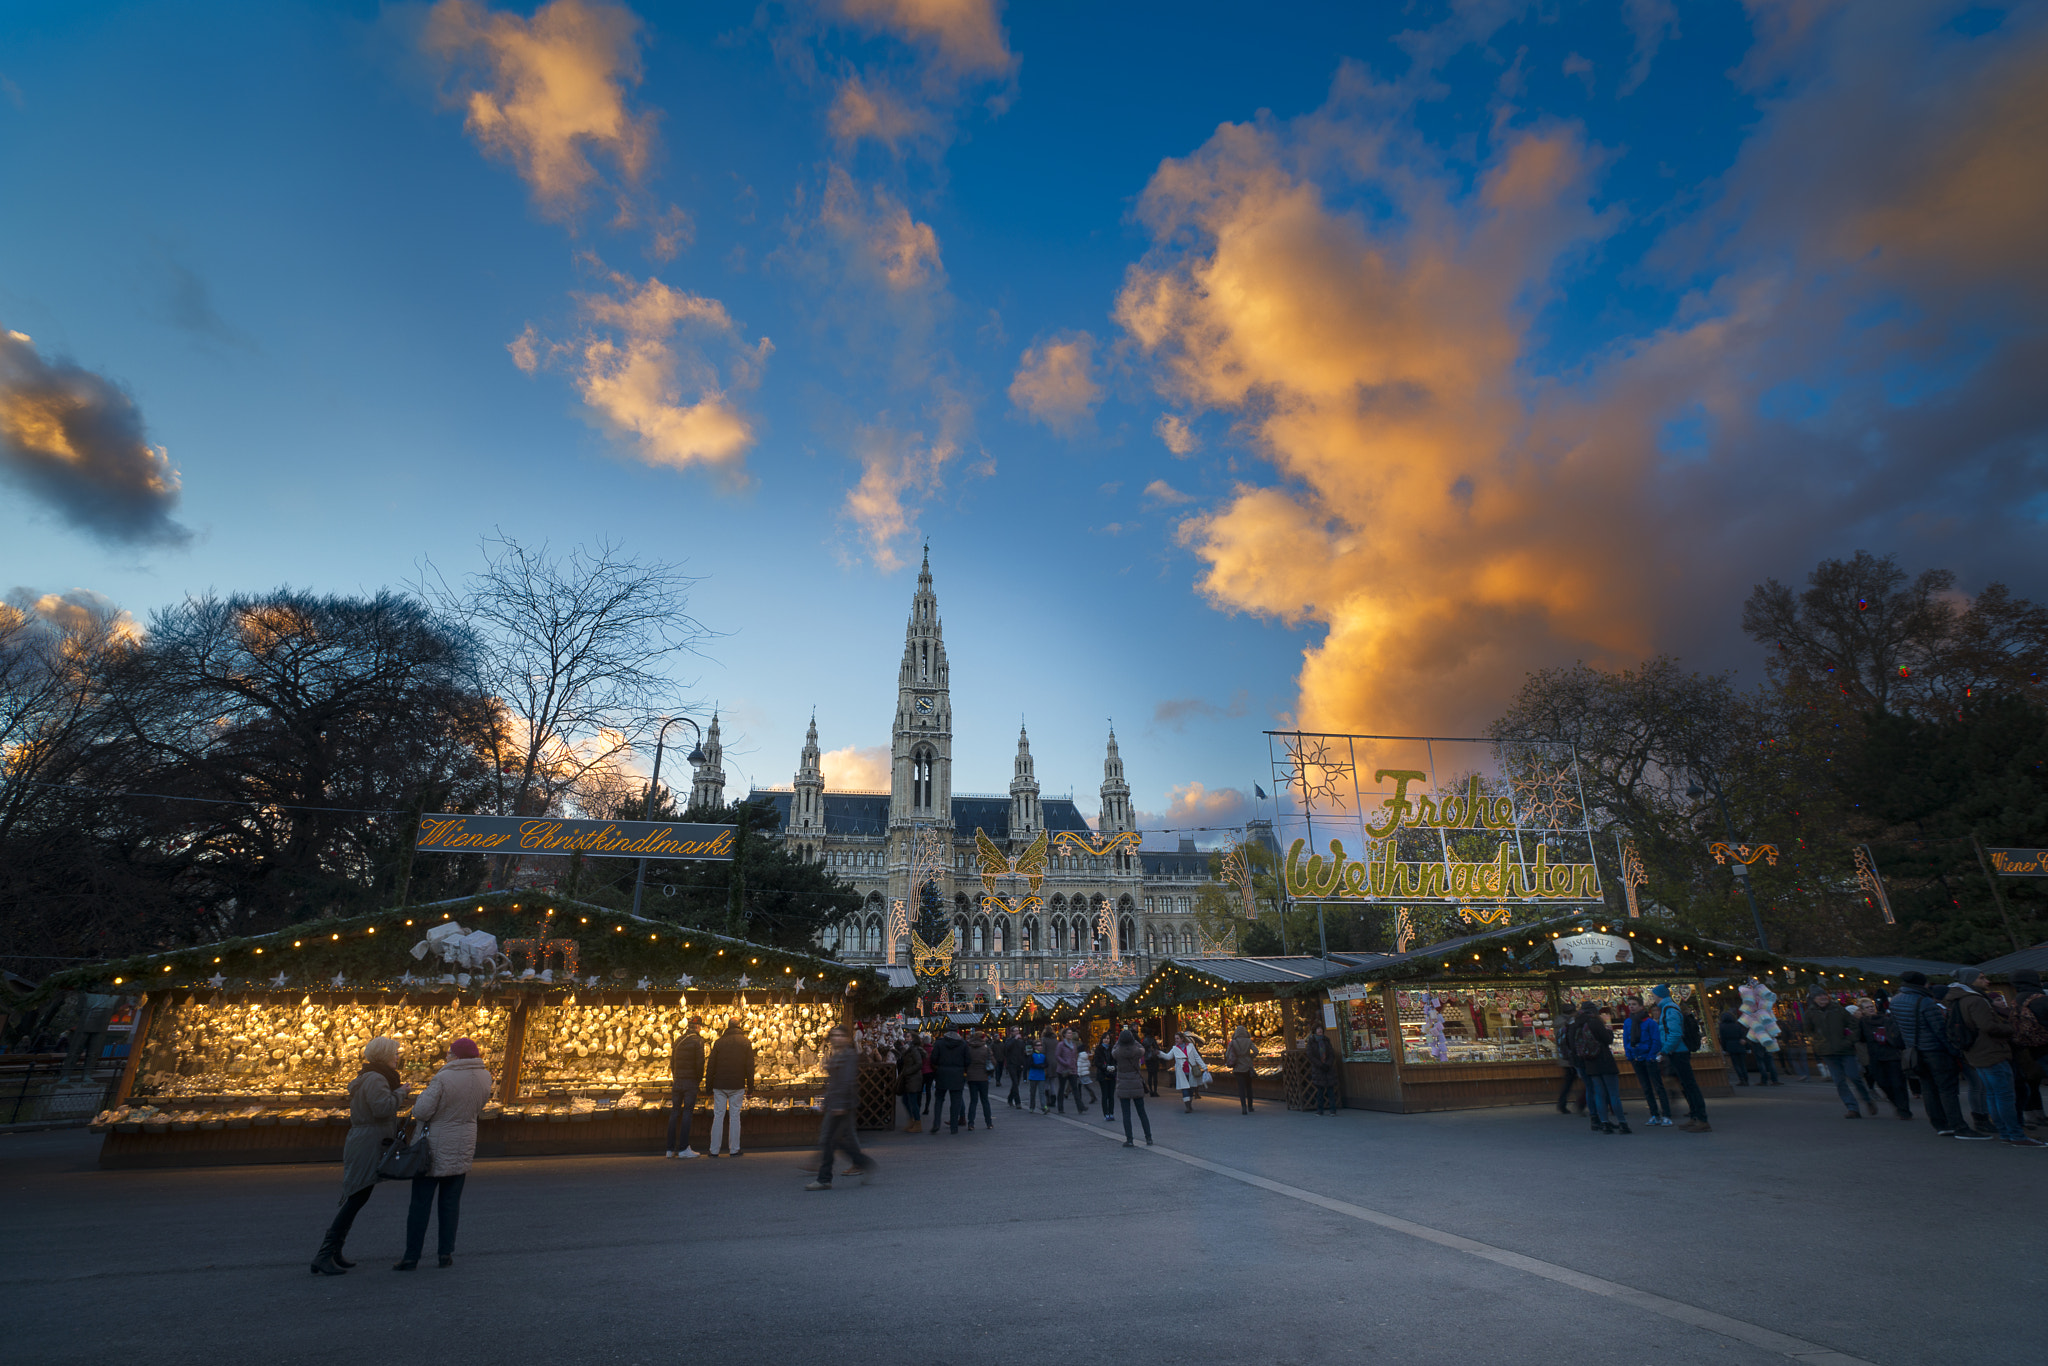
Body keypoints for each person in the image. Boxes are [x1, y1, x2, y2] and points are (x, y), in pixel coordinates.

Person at [394, 1037, 493, 1271]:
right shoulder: (485, 1077)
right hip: (463, 1143)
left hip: (432, 1147)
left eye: (449, 1053)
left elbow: (422, 1111)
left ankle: (411, 1256)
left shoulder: (443, 1077)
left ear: (456, 1056)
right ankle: (445, 1253)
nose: (447, 1057)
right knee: (450, 1203)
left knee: (420, 1204)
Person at [311, 1036, 406, 1275]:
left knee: (359, 1196)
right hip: (368, 1142)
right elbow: (382, 1108)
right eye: (394, 1053)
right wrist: (402, 1093)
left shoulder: (373, 1076)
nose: (398, 1056)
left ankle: (334, 1251)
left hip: (368, 1140)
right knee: (356, 1197)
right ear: (384, 1055)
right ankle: (324, 1254)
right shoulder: (376, 1078)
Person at [1946, 970, 2043, 1147]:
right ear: (1970, 981)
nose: (1987, 981)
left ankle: (2006, 1131)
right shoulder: (1976, 1000)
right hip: (1991, 1051)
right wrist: (2011, 1029)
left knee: (1993, 1094)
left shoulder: (1959, 1000)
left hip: (1977, 1052)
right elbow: (1987, 1026)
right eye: (1981, 977)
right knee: (2004, 1095)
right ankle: (2015, 1134)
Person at [1893, 971, 1977, 1138]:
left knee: (1928, 1089)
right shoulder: (1924, 1002)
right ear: (1922, 984)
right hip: (1935, 1051)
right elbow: (1940, 1030)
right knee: (1947, 1090)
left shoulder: (1896, 1001)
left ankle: (1940, 1124)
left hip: (1915, 1051)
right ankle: (1958, 1125)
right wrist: (1954, 1051)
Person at [806, 1027, 876, 1191]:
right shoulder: (837, 1055)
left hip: (842, 1105)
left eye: (840, 1035)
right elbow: (834, 1082)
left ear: (846, 1038)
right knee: (834, 1140)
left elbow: (846, 1081)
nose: (836, 1038)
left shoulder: (848, 1056)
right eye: (834, 1036)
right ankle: (862, 1162)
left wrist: (839, 1104)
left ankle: (824, 1178)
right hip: (835, 1103)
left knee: (828, 1140)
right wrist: (827, 1101)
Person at [1807, 989, 1876, 1119]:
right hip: (1828, 1052)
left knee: (1854, 1076)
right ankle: (1852, 1108)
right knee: (1839, 1081)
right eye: (1819, 996)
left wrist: (1849, 1040)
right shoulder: (1811, 1013)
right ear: (1814, 999)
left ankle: (1867, 1100)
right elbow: (1809, 1030)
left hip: (1845, 1050)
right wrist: (1817, 1043)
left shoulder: (1838, 1010)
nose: (1822, 998)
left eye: (1824, 995)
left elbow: (1854, 1024)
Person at [1652, 985, 1710, 1132]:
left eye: (1653, 995)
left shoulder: (1669, 1009)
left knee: (1690, 1085)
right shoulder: (1668, 1008)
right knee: (1685, 1085)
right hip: (1675, 1052)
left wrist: (1664, 1050)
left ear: (1659, 995)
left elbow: (1675, 1033)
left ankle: (1702, 1119)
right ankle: (1695, 1116)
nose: (1652, 997)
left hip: (1679, 1052)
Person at [1569, 1001, 1629, 1134]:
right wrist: (1609, 1032)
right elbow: (1607, 1040)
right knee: (1613, 1094)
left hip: (1588, 1063)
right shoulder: (1595, 1022)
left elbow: (1572, 1045)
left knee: (1598, 1093)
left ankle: (1602, 1122)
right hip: (1604, 1060)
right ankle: (1622, 1123)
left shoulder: (1574, 1025)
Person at [1857, 994, 1911, 1119]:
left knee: (1898, 1084)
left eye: (1872, 1006)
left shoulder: (1886, 1019)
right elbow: (1860, 1038)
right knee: (1883, 1083)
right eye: (1867, 1008)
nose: (1871, 1009)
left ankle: (1904, 1110)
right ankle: (1898, 1105)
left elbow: (1895, 1034)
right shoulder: (1862, 1023)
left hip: (1891, 1055)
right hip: (1875, 1056)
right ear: (1862, 1011)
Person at [706, 1018, 754, 1156]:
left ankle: (714, 1150)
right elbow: (749, 1067)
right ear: (739, 1026)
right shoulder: (745, 1042)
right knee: (735, 1117)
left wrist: (708, 1087)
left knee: (718, 1116)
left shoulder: (719, 1042)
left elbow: (711, 1066)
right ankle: (734, 1149)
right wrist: (750, 1088)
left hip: (719, 1085)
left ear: (728, 1026)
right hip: (737, 1084)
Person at [1622, 998, 1671, 1127]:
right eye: (1630, 1005)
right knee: (1646, 1087)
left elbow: (1655, 1040)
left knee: (1658, 1086)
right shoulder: (1628, 1022)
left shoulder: (1649, 1023)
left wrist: (1651, 1056)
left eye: (1634, 1004)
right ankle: (1654, 1114)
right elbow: (1626, 1040)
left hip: (1648, 1057)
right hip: (1636, 1058)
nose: (1631, 1007)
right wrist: (1630, 1055)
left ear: (1641, 1007)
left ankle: (1666, 1114)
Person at [2010, 969, 2048, 1129]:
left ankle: (2034, 1115)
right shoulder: (2041, 1000)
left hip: (2024, 1049)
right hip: (2045, 1047)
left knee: (2031, 1083)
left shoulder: (2016, 1001)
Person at [667, 1015, 706, 1159]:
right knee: (687, 1113)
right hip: (690, 1082)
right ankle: (683, 1148)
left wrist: (675, 1076)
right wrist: (698, 1079)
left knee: (675, 1112)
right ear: (697, 1027)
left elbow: (672, 1061)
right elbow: (700, 1063)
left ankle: (670, 1149)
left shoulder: (678, 1040)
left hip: (677, 1081)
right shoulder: (698, 1041)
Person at [1112, 1028, 1152, 1146]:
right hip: (1136, 1082)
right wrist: (1133, 1040)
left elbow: (1113, 1049)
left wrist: (1119, 1041)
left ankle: (1129, 1139)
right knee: (1142, 1112)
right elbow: (1142, 1048)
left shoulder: (1117, 1052)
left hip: (1123, 1084)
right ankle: (1148, 1137)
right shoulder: (1137, 1051)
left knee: (1126, 1114)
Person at [929, 1026, 971, 1135]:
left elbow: (933, 1058)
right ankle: (954, 1127)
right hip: (958, 1074)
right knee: (956, 1101)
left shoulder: (939, 1043)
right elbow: (968, 1060)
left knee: (939, 1100)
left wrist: (938, 1066)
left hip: (942, 1073)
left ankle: (936, 1123)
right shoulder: (963, 1044)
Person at [1554, 1000, 1586, 1116]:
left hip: (1564, 1057)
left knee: (1568, 1082)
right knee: (1587, 1082)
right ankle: (1581, 1103)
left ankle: (1562, 1103)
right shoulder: (1571, 1023)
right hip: (1573, 1056)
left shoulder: (1558, 1022)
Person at [1305, 1023, 1338, 1115]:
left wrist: (1328, 1063)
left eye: (1321, 1029)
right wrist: (1320, 1064)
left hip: (1328, 1068)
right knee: (1320, 1090)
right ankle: (1320, 1109)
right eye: (1318, 1029)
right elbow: (1310, 1055)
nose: (1320, 1030)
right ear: (1314, 1031)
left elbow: (1331, 1053)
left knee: (1330, 1089)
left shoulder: (1326, 1040)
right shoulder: (1311, 1042)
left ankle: (1333, 1109)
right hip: (1318, 1069)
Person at [1224, 1025, 1258, 1114]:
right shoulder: (1248, 1041)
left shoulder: (1232, 1042)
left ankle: (1243, 1107)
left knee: (1241, 1088)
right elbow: (1256, 1051)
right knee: (1249, 1087)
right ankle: (1250, 1107)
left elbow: (1227, 1054)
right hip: (1247, 1066)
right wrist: (1249, 1057)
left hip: (1238, 1068)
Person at [1168, 1031, 1206, 1112]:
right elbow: (1168, 1056)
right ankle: (1188, 1107)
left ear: (1182, 1039)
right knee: (1185, 1089)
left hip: (1191, 1071)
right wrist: (1159, 1053)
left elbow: (1197, 1057)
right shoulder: (1175, 1048)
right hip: (1181, 1072)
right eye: (1175, 1039)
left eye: (1177, 1038)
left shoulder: (1190, 1046)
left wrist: (1204, 1067)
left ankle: (1189, 1104)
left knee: (1191, 1089)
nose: (1176, 1040)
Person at [964, 1030, 994, 1130]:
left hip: (971, 1077)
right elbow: (993, 1062)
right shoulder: (986, 1049)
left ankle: (971, 1123)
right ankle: (988, 1122)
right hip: (983, 1076)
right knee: (985, 1100)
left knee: (973, 1101)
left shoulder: (969, 1049)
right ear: (982, 1038)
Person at [897, 1034, 927, 1131]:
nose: (906, 1038)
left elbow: (919, 1063)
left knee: (912, 1101)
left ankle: (917, 1123)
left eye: (908, 1037)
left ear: (913, 1039)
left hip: (913, 1078)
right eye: (906, 1037)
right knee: (906, 1100)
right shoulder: (907, 1049)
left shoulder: (913, 1049)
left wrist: (908, 1071)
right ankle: (912, 1121)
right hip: (908, 1079)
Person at [1718, 1009, 1752, 1085]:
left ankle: (1741, 1079)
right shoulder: (1737, 1025)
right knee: (1742, 1064)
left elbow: (1723, 1038)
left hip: (1730, 1046)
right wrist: (1747, 1047)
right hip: (1740, 1045)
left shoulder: (1722, 1027)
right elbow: (1743, 1036)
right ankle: (1746, 1079)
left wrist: (1724, 1048)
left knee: (1736, 1064)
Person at [1092, 1030, 1118, 1121]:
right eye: (1105, 1038)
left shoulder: (1112, 1049)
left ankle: (1111, 1113)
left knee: (1111, 1095)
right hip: (1103, 1074)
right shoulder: (1099, 1049)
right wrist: (1105, 1067)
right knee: (1105, 1095)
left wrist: (1114, 1067)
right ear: (1102, 1039)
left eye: (1108, 1038)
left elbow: (1116, 1060)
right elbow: (1097, 1062)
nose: (1107, 1040)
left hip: (1112, 1074)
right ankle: (1106, 1113)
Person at [1054, 1029, 1081, 1114]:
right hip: (1063, 1070)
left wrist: (1075, 1067)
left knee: (1075, 1088)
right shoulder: (1061, 1045)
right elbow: (1057, 1056)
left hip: (1072, 1069)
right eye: (1069, 1033)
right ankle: (1060, 1107)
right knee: (1061, 1088)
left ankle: (1080, 1107)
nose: (1070, 1034)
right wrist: (1065, 1063)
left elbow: (1075, 1056)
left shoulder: (1073, 1044)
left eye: (1071, 1033)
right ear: (1064, 1035)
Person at [1003, 1028, 1028, 1109]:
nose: (1017, 1032)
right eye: (1015, 1031)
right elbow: (1007, 1048)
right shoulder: (1009, 1041)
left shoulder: (1021, 1042)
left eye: (1018, 1031)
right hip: (1011, 1064)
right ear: (1012, 1032)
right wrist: (1014, 1039)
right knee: (1015, 1082)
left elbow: (1023, 1053)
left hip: (1019, 1064)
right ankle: (1018, 1102)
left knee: (1016, 1083)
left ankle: (1010, 1098)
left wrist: (1023, 1063)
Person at [1028, 1031, 1051, 1112]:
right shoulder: (1032, 1055)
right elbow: (1031, 1064)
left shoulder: (1043, 1056)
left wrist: (1041, 1066)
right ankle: (1032, 1106)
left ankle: (1043, 1106)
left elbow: (1046, 1064)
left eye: (1041, 1045)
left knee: (1042, 1092)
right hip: (1033, 1076)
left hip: (1041, 1076)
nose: (1040, 1047)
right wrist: (1040, 1066)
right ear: (1034, 1047)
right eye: (1038, 1045)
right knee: (1032, 1093)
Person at [1143, 1029, 1163, 1096]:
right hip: (1153, 1059)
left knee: (1149, 1075)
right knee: (1155, 1075)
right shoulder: (1152, 1039)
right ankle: (1155, 1091)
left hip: (1147, 1059)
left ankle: (1151, 1090)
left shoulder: (1144, 1040)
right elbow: (1157, 1048)